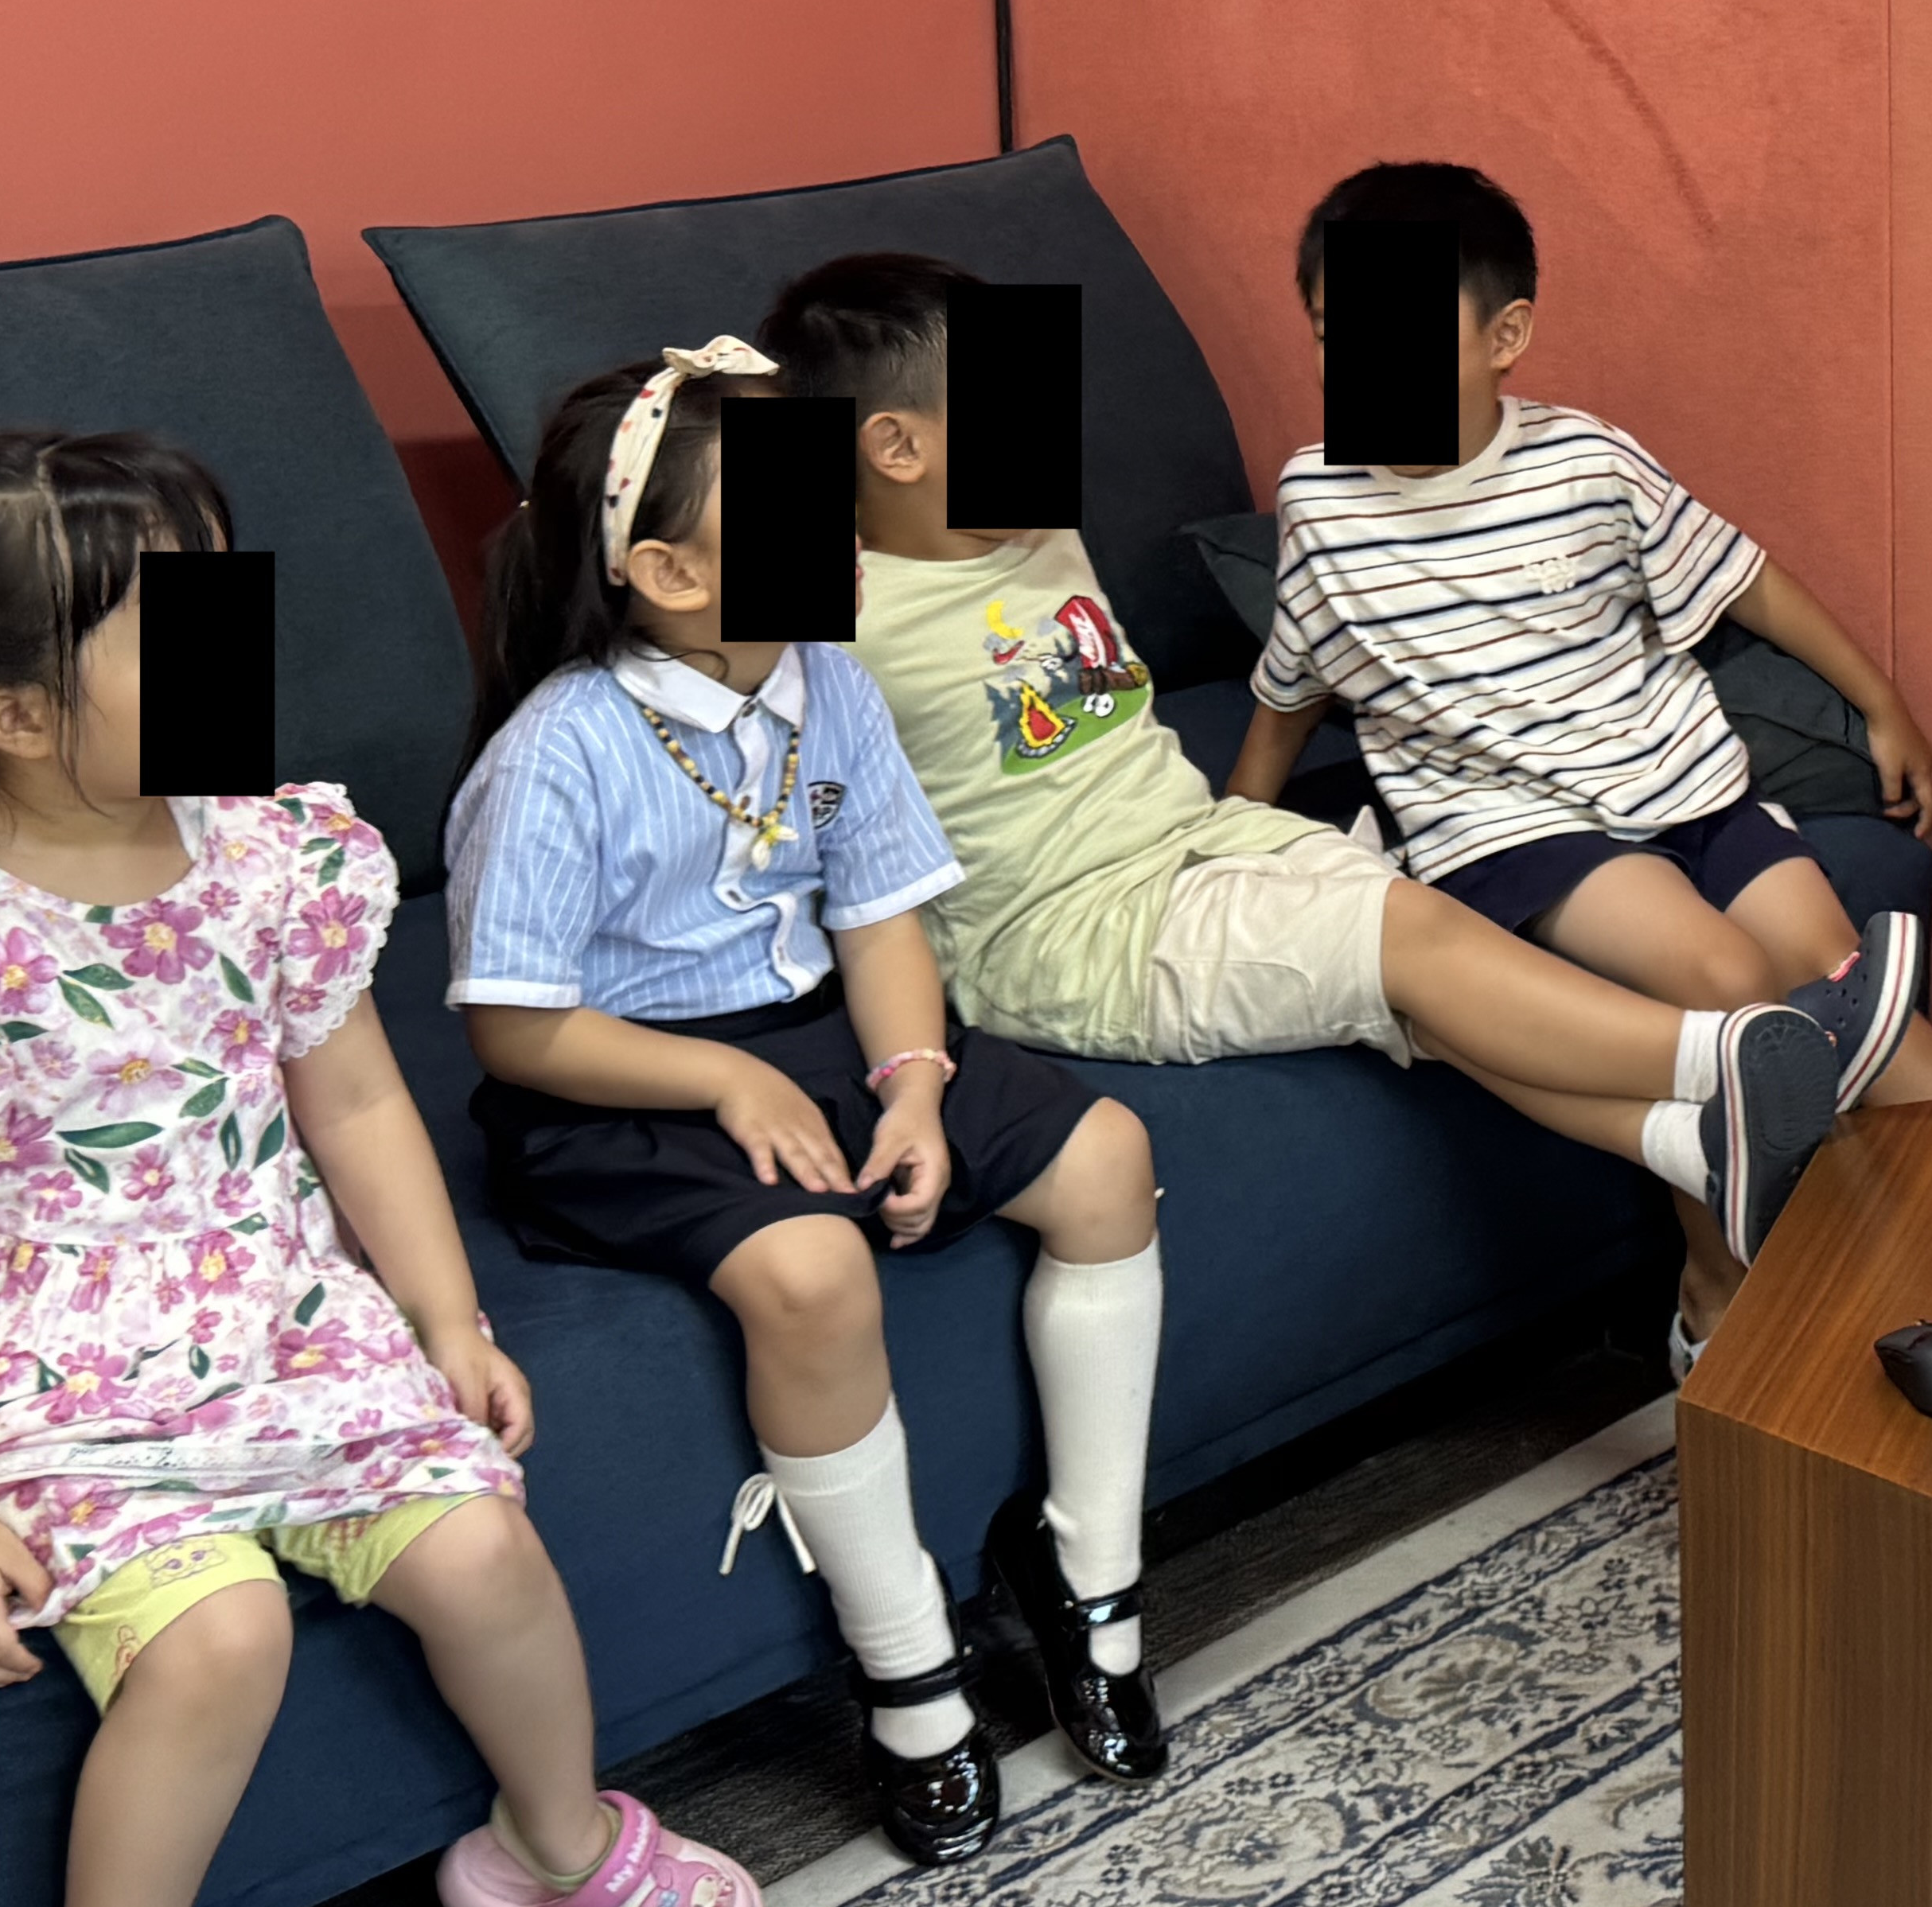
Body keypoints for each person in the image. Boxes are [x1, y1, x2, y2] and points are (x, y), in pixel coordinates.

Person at [0, 432, 762, 1907]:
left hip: (276, 1311)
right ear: (18, 715)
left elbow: (357, 1105)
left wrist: (447, 1317)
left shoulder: (278, 854)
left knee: (487, 1552)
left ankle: (556, 1848)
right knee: (221, 1640)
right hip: (48, 1372)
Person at [748, 251, 1857, 1376]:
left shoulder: (1034, 532)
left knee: (1448, 979)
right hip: (1069, 931)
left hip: (1203, 844)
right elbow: (704, 645)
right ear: (895, 448)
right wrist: (761, 411)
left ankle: (1693, 1143)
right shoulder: (834, 616)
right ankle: (1747, 1058)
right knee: (1411, 940)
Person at [444, 342, 1166, 1872]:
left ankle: (1089, 1576)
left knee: (1107, 1160)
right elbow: (515, 1026)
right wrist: (727, 1077)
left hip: (824, 1034)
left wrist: (914, 1082)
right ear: (665, 573)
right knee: (814, 1269)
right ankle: (909, 1672)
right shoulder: (558, 751)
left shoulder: (829, 684)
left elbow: (876, 913)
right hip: (622, 1080)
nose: (841, 537)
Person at [1222, 166, 1932, 1363]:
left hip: (1682, 783)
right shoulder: (1318, 501)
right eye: (1333, 337)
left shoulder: (1587, 463)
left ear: (1505, 336)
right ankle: (1717, 1298)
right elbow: (1291, 685)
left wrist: (1885, 707)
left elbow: (1745, 577)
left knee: (1855, 995)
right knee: (1724, 977)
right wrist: (1231, 841)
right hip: (1509, 826)